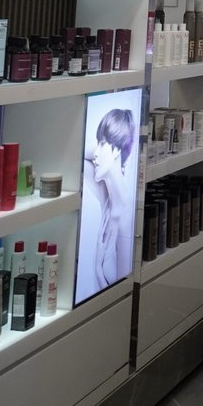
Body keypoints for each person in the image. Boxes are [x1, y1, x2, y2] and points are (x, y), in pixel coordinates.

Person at [86, 107, 136, 291]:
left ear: (116, 150)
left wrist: (98, 270)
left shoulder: (125, 218)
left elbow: (123, 290)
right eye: (97, 143)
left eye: (102, 143)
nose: (96, 152)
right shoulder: (105, 196)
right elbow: (81, 152)